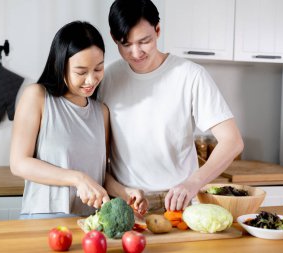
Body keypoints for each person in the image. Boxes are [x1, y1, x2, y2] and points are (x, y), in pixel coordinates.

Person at [98, 0, 244, 213]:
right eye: (126, 44)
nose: (136, 52)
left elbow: (232, 141)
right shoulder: (108, 78)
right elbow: (99, 153)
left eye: (144, 41)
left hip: (178, 202)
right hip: (124, 203)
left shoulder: (190, 75)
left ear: (157, 30)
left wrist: (193, 183)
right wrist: (120, 191)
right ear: (113, 38)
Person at [10, 21, 112, 219]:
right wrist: (77, 178)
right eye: (81, 72)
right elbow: (18, 163)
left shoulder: (102, 112)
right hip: (43, 219)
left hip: (91, 224)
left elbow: (99, 175)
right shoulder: (37, 97)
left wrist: (126, 191)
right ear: (60, 65)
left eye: (98, 69)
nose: (91, 80)